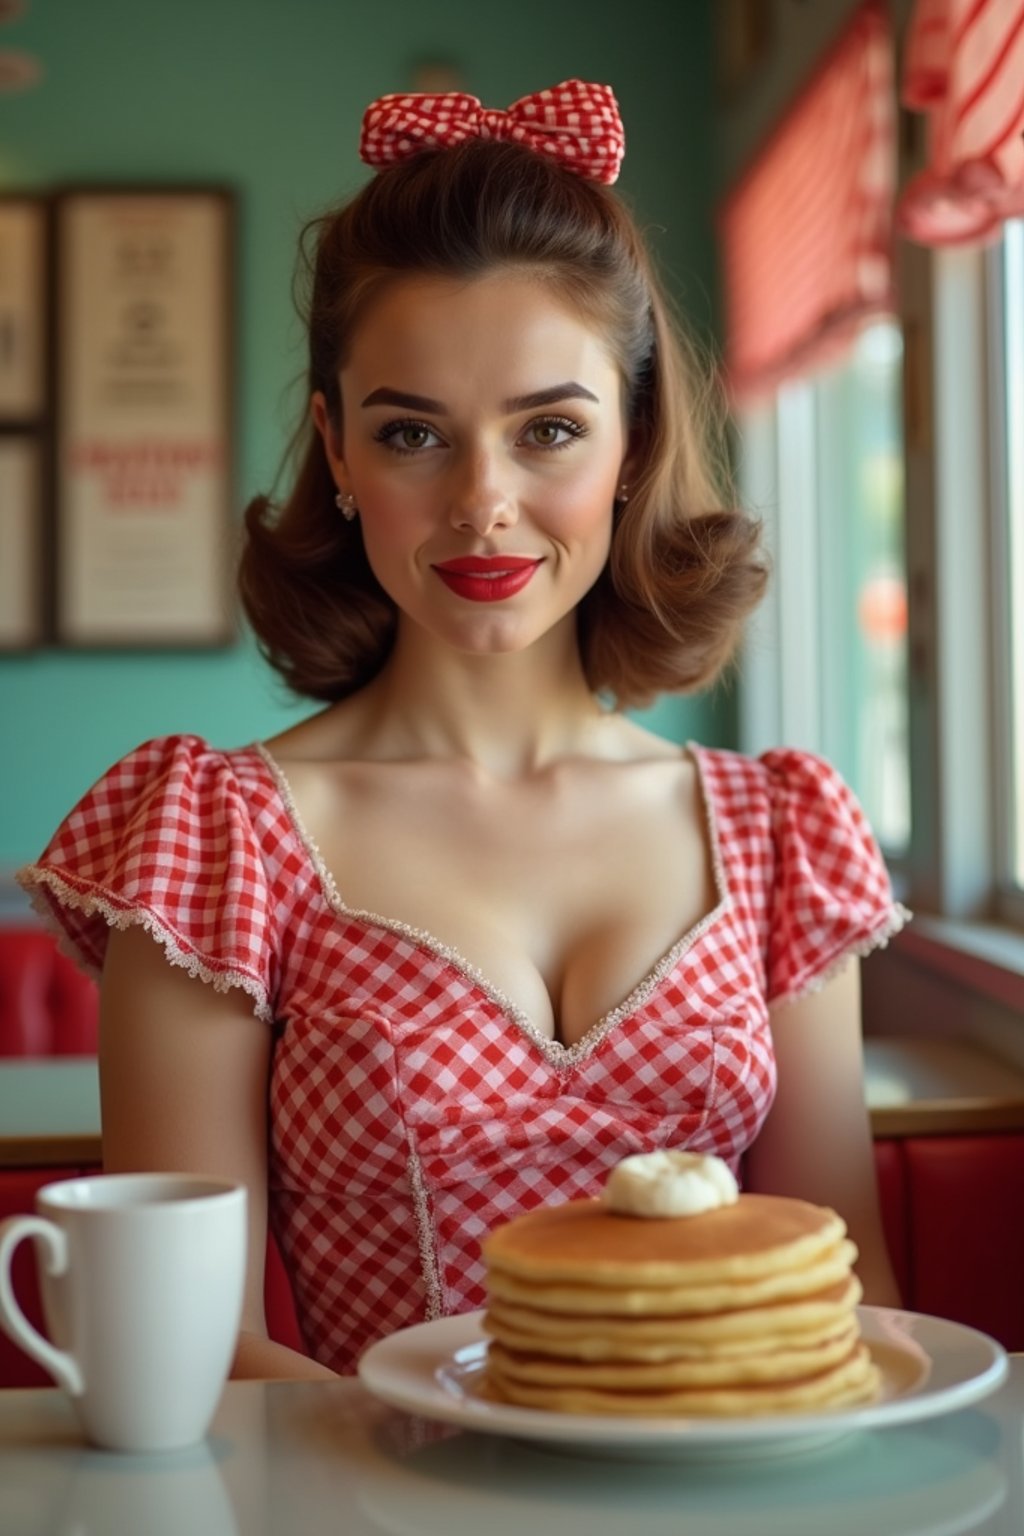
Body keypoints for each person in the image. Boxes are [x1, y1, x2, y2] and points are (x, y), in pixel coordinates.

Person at [18, 80, 907, 1381]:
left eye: (550, 429)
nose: (484, 502)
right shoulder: (217, 838)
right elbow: (188, 1345)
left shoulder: (781, 828)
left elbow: (845, 1281)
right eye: (412, 433)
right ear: (334, 448)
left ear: (635, 438)